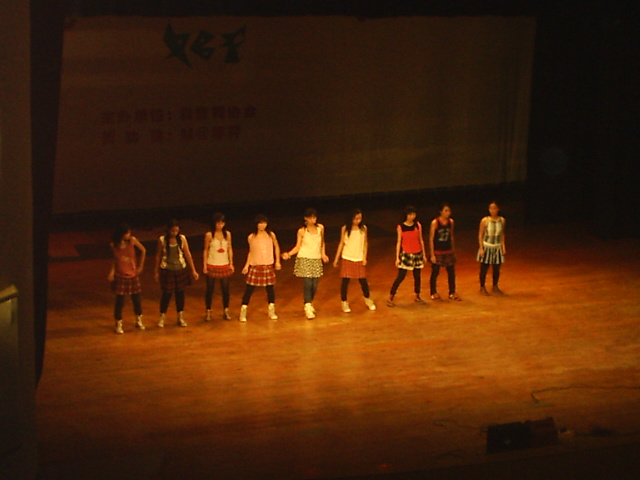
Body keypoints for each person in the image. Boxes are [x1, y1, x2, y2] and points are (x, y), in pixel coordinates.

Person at [282, 208, 329, 319]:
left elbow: (322, 242)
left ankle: (309, 303)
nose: (313, 220)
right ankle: (307, 306)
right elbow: (298, 246)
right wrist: (289, 254)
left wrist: (323, 254)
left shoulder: (320, 228)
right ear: (305, 218)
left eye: (314, 217)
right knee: (307, 284)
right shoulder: (302, 231)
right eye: (310, 217)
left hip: (316, 259)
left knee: (314, 285)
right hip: (304, 258)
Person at [154, 219, 199, 327]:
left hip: (180, 269)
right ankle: (162, 317)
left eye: (176, 231)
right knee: (166, 294)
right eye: (172, 231)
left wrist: (193, 270)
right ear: (168, 230)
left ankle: (180, 317)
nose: (174, 233)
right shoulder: (162, 240)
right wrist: (156, 271)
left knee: (180, 294)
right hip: (167, 270)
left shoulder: (182, 239)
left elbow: (187, 254)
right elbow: (158, 256)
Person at [240, 214, 281, 322]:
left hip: (268, 265)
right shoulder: (251, 237)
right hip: (256, 266)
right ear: (256, 224)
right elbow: (251, 252)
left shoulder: (271, 235)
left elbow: (276, 247)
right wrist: (246, 265)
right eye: (260, 223)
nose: (262, 225)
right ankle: (243, 311)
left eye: (264, 223)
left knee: (270, 289)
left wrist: (277, 261)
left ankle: (271, 310)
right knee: (249, 289)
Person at [333, 208, 376, 313]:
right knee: (345, 281)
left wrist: (364, 257)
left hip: (359, 258)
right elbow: (341, 243)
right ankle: (344, 302)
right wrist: (336, 259)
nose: (358, 221)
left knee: (363, 281)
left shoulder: (363, 229)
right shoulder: (345, 229)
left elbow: (365, 243)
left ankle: (368, 300)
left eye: (360, 218)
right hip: (347, 257)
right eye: (356, 218)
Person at [108, 223, 146, 334]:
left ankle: (138, 319)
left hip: (132, 274)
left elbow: (143, 250)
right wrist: (112, 272)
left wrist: (140, 266)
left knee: (136, 299)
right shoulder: (114, 245)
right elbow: (115, 260)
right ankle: (118, 323)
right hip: (121, 275)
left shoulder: (132, 241)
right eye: (127, 233)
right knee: (120, 301)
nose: (129, 235)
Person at [387, 205, 427, 306]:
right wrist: (397, 258)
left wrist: (424, 254)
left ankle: (417, 296)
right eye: (410, 214)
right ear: (406, 215)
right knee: (401, 276)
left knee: (417, 276)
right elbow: (399, 242)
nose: (412, 216)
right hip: (406, 254)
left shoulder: (417, 225)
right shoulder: (401, 227)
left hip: (417, 253)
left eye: (413, 214)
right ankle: (391, 297)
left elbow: (421, 240)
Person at [203, 212, 234, 321]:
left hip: (224, 264)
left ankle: (226, 310)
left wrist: (231, 263)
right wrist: (204, 265)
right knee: (210, 289)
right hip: (212, 264)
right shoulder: (209, 235)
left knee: (225, 289)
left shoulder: (227, 234)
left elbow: (230, 249)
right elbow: (205, 250)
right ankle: (208, 311)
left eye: (222, 223)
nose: (220, 225)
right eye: (218, 223)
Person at [429, 203, 460, 300]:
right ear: (440, 211)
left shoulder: (451, 222)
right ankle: (433, 292)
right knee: (435, 272)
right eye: (446, 210)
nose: (448, 213)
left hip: (448, 250)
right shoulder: (435, 222)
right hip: (438, 251)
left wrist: (453, 250)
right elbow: (431, 238)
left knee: (451, 272)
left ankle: (452, 292)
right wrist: (432, 254)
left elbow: (451, 236)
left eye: (449, 211)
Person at [477, 201, 506, 295]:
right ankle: (482, 287)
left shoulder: (502, 220)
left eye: (494, 208)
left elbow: (502, 234)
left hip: (497, 247)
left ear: (498, 209)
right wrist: (481, 248)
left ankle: (495, 286)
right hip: (487, 247)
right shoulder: (485, 220)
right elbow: (480, 235)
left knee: (496, 268)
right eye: (491, 208)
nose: (492, 210)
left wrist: (503, 246)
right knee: (484, 268)